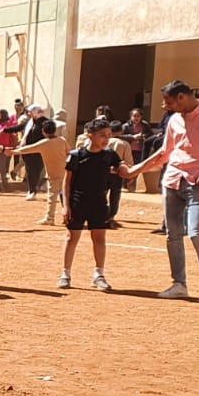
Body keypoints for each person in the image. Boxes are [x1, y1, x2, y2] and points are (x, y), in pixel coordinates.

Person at [123, 80, 199, 305]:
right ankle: (179, 284)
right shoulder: (175, 119)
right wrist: (136, 170)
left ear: (182, 97)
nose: (165, 107)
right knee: (172, 235)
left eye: (168, 102)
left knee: (196, 233)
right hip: (172, 181)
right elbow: (165, 152)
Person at [56, 119, 130, 291]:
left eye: (109, 135)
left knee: (99, 238)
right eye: (102, 135)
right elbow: (67, 182)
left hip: (99, 202)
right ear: (90, 136)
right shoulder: (76, 155)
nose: (106, 139)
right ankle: (65, 274)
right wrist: (66, 206)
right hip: (78, 201)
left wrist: (129, 168)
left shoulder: (109, 154)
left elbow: (121, 167)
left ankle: (99, 275)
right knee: (72, 237)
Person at [7, 119, 70, 226]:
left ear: (43, 131)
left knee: (52, 197)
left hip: (53, 174)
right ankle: (69, 217)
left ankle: (50, 218)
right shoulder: (62, 140)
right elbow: (69, 153)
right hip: (65, 172)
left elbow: (27, 149)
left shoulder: (43, 143)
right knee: (66, 196)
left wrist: (12, 152)